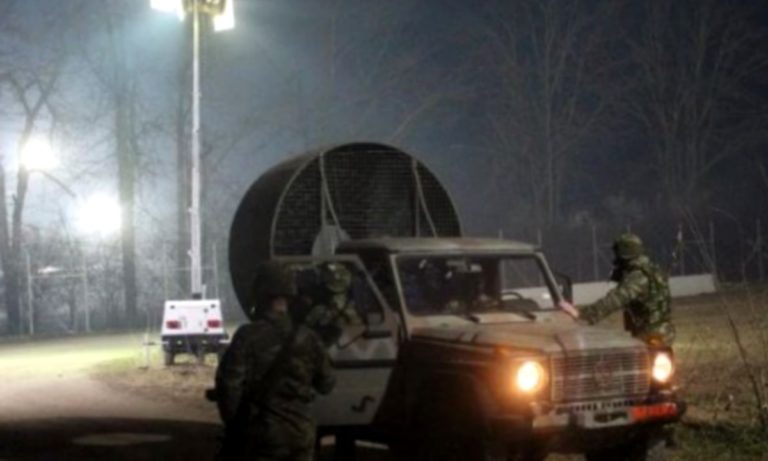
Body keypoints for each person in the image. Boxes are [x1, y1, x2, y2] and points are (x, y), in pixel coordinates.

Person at [214, 261, 336, 461]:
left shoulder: (247, 337)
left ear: (260, 295)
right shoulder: (308, 337)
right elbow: (327, 384)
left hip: (262, 438)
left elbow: (229, 388)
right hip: (301, 436)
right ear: (290, 295)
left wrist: (236, 426)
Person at [579, 233, 675, 345]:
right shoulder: (651, 270)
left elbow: (616, 299)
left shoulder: (638, 276)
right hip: (660, 331)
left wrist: (584, 315)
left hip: (650, 334)